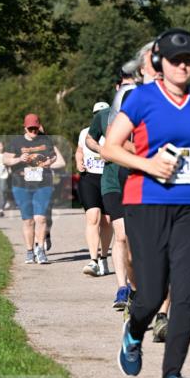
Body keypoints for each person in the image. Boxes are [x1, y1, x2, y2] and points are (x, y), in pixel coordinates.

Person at [101, 28, 190, 378]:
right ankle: (134, 331)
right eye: (175, 60)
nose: (183, 65)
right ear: (160, 63)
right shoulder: (141, 99)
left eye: (189, 60)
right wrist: (148, 164)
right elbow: (110, 148)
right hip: (146, 203)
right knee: (152, 294)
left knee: (185, 296)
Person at [86, 66, 139, 308]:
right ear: (117, 89)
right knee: (122, 235)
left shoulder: (148, 112)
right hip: (112, 180)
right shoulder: (105, 115)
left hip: (139, 180)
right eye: (124, 86)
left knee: (138, 239)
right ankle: (121, 288)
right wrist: (101, 150)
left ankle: (138, 287)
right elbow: (90, 137)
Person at [4, 114, 58, 264]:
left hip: (43, 184)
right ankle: (29, 251)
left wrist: (49, 161)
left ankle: (40, 250)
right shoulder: (16, 142)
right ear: (25, 127)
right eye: (30, 129)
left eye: (35, 128)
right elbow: (5, 159)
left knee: (40, 218)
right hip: (21, 185)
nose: (33, 131)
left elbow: (53, 156)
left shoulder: (46, 140)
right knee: (28, 220)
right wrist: (18, 159)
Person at [76, 102, 112, 277]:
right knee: (93, 217)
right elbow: (79, 151)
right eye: (97, 114)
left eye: (103, 113)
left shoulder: (113, 132)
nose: (100, 117)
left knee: (107, 220)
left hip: (108, 177)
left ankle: (104, 257)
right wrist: (78, 161)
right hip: (89, 178)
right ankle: (93, 260)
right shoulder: (85, 133)